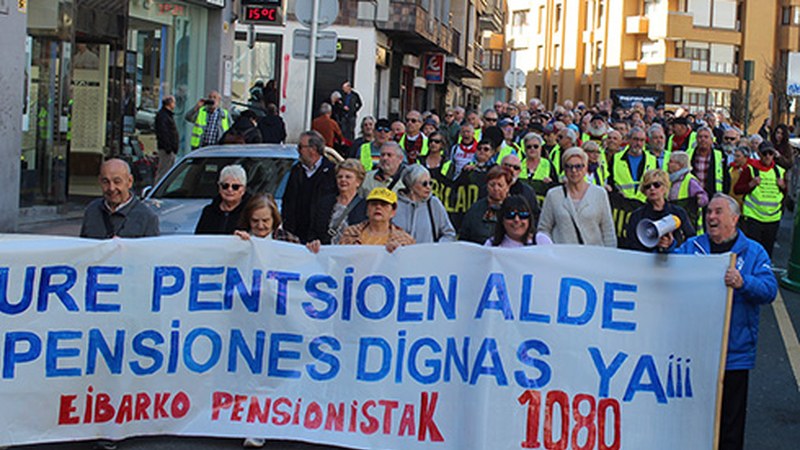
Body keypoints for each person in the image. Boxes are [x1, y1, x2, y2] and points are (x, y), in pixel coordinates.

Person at [661, 193, 777, 450]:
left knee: (730, 425)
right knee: (692, 418)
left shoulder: (754, 252)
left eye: (718, 212)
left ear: (734, 219)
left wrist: (743, 282)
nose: (710, 217)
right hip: (695, 351)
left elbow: (769, 290)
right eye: (709, 212)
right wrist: (667, 248)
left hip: (733, 354)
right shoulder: (693, 247)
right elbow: (671, 270)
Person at [538, 147, 617, 246]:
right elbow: (544, 229)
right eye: (569, 166)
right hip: (562, 256)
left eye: (578, 166)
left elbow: (608, 231)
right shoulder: (553, 195)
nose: (574, 170)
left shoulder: (600, 194)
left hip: (593, 256)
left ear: (586, 168)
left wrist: (609, 255)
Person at [80, 159, 159, 238]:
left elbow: (151, 249)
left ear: (130, 181)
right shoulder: (92, 210)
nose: (111, 188)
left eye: (117, 182)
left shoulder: (147, 217)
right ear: (99, 181)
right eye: (105, 182)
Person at [282, 131, 338, 242]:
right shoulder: (296, 170)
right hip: (296, 234)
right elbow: (288, 199)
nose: (298, 151)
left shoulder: (331, 171)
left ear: (313, 149)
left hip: (318, 237)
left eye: (300, 147)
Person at [734, 141, 787, 257]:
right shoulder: (751, 169)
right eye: (765, 153)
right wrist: (750, 185)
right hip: (754, 217)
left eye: (770, 153)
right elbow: (737, 189)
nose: (768, 156)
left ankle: (764, 272)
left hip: (773, 218)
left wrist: (783, 187)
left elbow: (787, 194)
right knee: (752, 251)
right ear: (759, 154)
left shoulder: (780, 171)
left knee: (767, 253)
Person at [622, 169, 695, 252]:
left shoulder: (678, 213)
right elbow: (631, 244)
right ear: (644, 191)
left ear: (665, 188)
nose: (652, 188)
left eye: (657, 185)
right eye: (647, 186)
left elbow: (691, 239)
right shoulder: (637, 216)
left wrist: (672, 244)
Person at [307, 158, 368, 246]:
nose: (343, 180)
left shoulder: (365, 206)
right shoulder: (324, 202)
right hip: (327, 254)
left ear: (358, 182)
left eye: (348, 177)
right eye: (340, 177)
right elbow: (313, 231)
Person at [338, 187, 416, 252]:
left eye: (384, 205)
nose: (378, 207)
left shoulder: (404, 240)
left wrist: (398, 252)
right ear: (367, 210)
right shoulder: (350, 233)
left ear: (393, 212)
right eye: (374, 204)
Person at [393, 165, 456, 243]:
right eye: (424, 183)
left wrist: (435, 248)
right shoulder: (394, 204)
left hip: (428, 254)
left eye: (430, 183)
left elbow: (449, 234)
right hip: (401, 253)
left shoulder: (434, 203)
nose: (428, 187)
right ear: (411, 185)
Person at [459, 166, 512, 244]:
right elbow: (464, 236)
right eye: (492, 185)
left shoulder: (514, 208)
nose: (496, 188)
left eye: (500, 185)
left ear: (508, 187)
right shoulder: (475, 209)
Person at [194, 164, 251, 235]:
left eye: (235, 187)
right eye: (225, 186)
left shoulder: (251, 212)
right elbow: (199, 238)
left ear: (243, 189)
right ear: (219, 188)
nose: (230, 189)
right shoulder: (208, 212)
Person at [608, 127, 658, 204]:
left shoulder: (653, 160)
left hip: (644, 204)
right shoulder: (616, 158)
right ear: (629, 140)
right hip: (621, 204)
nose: (638, 143)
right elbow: (610, 181)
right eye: (635, 139)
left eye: (642, 140)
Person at [667, 151, 708, 229]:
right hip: (674, 220)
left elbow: (703, 198)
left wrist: (696, 201)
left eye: (671, 162)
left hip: (688, 222)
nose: (668, 164)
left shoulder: (690, 180)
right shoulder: (670, 180)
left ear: (680, 165)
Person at [233, 194, 299, 243]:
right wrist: (235, 241)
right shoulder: (240, 237)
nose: (260, 226)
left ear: (274, 219)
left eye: (265, 220)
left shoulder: (288, 240)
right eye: (255, 221)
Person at [690, 126, 730, 199]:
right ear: (696, 139)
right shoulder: (688, 154)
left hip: (713, 196)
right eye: (700, 137)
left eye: (706, 137)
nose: (703, 139)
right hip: (692, 197)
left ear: (712, 140)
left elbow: (726, 178)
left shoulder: (720, 156)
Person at [519, 133, 557, 204]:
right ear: (525, 149)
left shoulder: (548, 164)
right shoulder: (519, 165)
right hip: (522, 206)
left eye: (535, 146)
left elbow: (556, 188)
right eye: (529, 147)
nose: (532, 149)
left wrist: (551, 183)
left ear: (540, 148)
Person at [154, 95, 179, 182]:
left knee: (167, 171)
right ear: (169, 103)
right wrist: (168, 147)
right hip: (166, 149)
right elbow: (163, 133)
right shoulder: (163, 116)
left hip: (169, 149)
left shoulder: (166, 115)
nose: (175, 105)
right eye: (174, 103)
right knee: (164, 171)